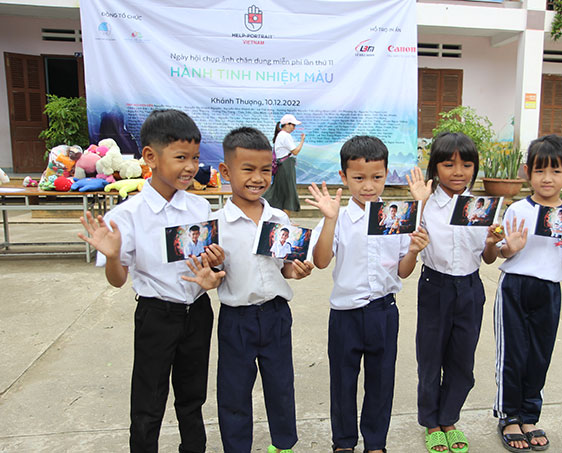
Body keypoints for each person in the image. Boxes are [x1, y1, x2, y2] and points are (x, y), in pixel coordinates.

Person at [77, 109, 225, 453]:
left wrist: (215, 271)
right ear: (150, 157)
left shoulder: (200, 209)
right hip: (156, 317)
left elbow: (211, 268)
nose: (190, 167)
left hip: (198, 313)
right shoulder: (126, 216)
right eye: (181, 158)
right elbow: (117, 281)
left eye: (196, 158)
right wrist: (113, 257)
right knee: (148, 403)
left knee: (192, 398)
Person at [307, 135, 430, 453]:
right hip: (345, 315)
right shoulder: (340, 218)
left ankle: (376, 443)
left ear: (387, 174)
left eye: (376, 177)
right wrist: (329, 220)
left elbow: (403, 271)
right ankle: (343, 443)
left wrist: (414, 251)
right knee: (343, 382)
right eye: (358, 178)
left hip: (384, 312)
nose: (368, 185)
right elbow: (321, 262)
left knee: (381, 381)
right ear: (343, 177)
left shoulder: (397, 219)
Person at [207, 127, 314, 453]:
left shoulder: (279, 217)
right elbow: (211, 275)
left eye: (265, 170)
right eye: (248, 169)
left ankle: (284, 445)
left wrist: (296, 270)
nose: (258, 178)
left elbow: (284, 267)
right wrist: (212, 267)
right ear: (226, 172)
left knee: (281, 385)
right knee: (234, 391)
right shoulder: (215, 224)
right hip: (236, 319)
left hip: (276, 315)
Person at [492, 134, 562, 452]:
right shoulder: (517, 210)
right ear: (527, 172)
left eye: (556, 171)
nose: (547, 179)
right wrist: (510, 247)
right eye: (539, 171)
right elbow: (502, 252)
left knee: (539, 355)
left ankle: (529, 416)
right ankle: (509, 416)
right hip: (515, 288)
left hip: (549, 291)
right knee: (513, 355)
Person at [405, 132, 504, 453]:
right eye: (448, 164)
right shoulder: (427, 205)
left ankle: (449, 419)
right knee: (430, 359)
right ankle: (431, 424)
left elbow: (488, 258)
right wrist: (418, 202)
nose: (458, 172)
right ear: (435, 167)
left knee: (462, 362)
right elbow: (408, 242)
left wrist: (491, 242)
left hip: (471, 289)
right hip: (435, 287)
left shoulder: (482, 207)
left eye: (466, 164)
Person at [263, 114, 306, 215]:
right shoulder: (285, 136)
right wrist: (302, 141)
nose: (294, 128)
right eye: (293, 125)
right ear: (287, 124)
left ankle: (283, 219)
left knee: (280, 192)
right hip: (286, 166)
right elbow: (295, 151)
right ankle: (286, 220)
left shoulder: (281, 135)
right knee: (288, 193)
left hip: (283, 165)